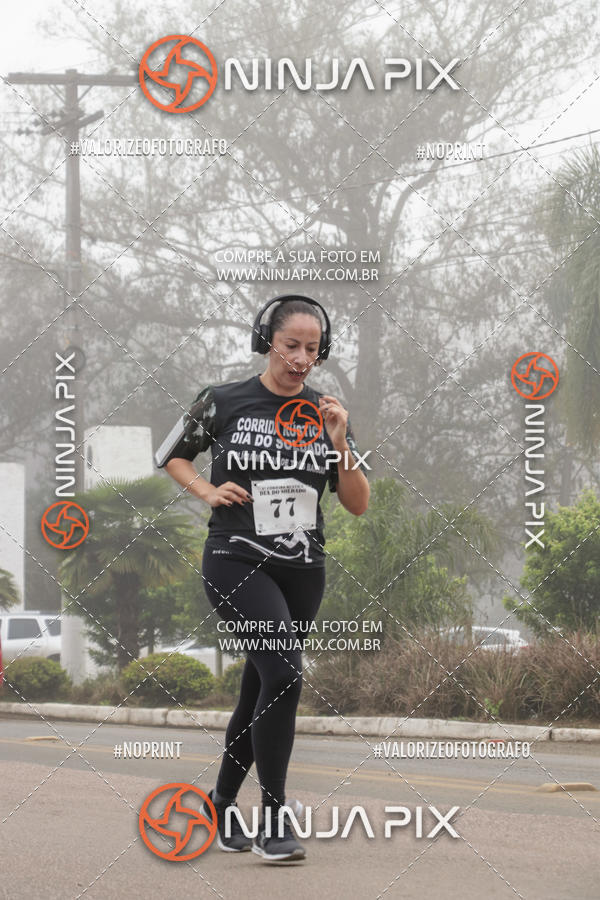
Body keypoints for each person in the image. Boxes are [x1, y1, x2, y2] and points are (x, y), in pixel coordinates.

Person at [155, 294, 369, 862]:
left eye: (313, 348)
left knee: (264, 685)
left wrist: (341, 441)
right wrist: (205, 489)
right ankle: (274, 817)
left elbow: (357, 503)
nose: (301, 357)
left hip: (302, 568)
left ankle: (220, 803)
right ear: (266, 340)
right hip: (235, 558)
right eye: (291, 344)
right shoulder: (224, 400)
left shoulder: (325, 411)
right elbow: (171, 453)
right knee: (286, 673)